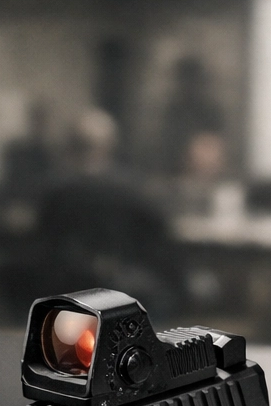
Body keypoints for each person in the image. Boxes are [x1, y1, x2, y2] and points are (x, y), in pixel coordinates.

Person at [22, 108, 181, 316]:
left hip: (63, 285)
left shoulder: (56, 190)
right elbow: (160, 229)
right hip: (123, 283)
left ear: (71, 145)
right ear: (111, 145)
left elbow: (42, 235)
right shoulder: (131, 189)